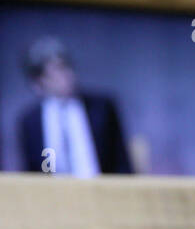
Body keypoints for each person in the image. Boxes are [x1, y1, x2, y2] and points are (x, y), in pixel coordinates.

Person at [18, 37, 132, 176]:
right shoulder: (30, 122)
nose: (66, 76)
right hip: (53, 194)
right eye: (55, 71)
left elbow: (122, 163)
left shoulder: (102, 108)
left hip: (100, 190)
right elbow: (31, 173)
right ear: (38, 82)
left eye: (66, 67)